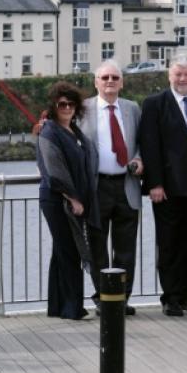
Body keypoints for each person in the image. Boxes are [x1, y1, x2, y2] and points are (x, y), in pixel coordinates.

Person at [140, 55, 187, 317]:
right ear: (169, 76)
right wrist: (155, 184)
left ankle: (185, 293)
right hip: (168, 187)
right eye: (177, 74)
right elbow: (150, 146)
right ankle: (169, 296)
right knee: (169, 242)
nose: (182, 79)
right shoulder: (155, 104)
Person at [80, 60, 143, 316]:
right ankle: (103, 297)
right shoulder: (83, 109)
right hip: (97, 188)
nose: (109, 82)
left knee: (126, 248)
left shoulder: (132, 108)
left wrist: (139, 159)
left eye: (114, 78)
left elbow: (141, 142)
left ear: (122, 82)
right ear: (96, 82)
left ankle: (121, 298)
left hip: (126, 186)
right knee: (97, 247)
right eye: (104, 77)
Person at [36, 82, 98, 320]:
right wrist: (73, 197)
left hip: (73, 199)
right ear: (53, 106)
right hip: (57, 200)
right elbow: (53, 170)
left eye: (71, 104)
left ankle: (58, 306)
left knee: (61, 252)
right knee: (70, 250)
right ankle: (73, 308)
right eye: (62, 104)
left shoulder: (75, 131)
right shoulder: (49, 131)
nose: (67, 108)